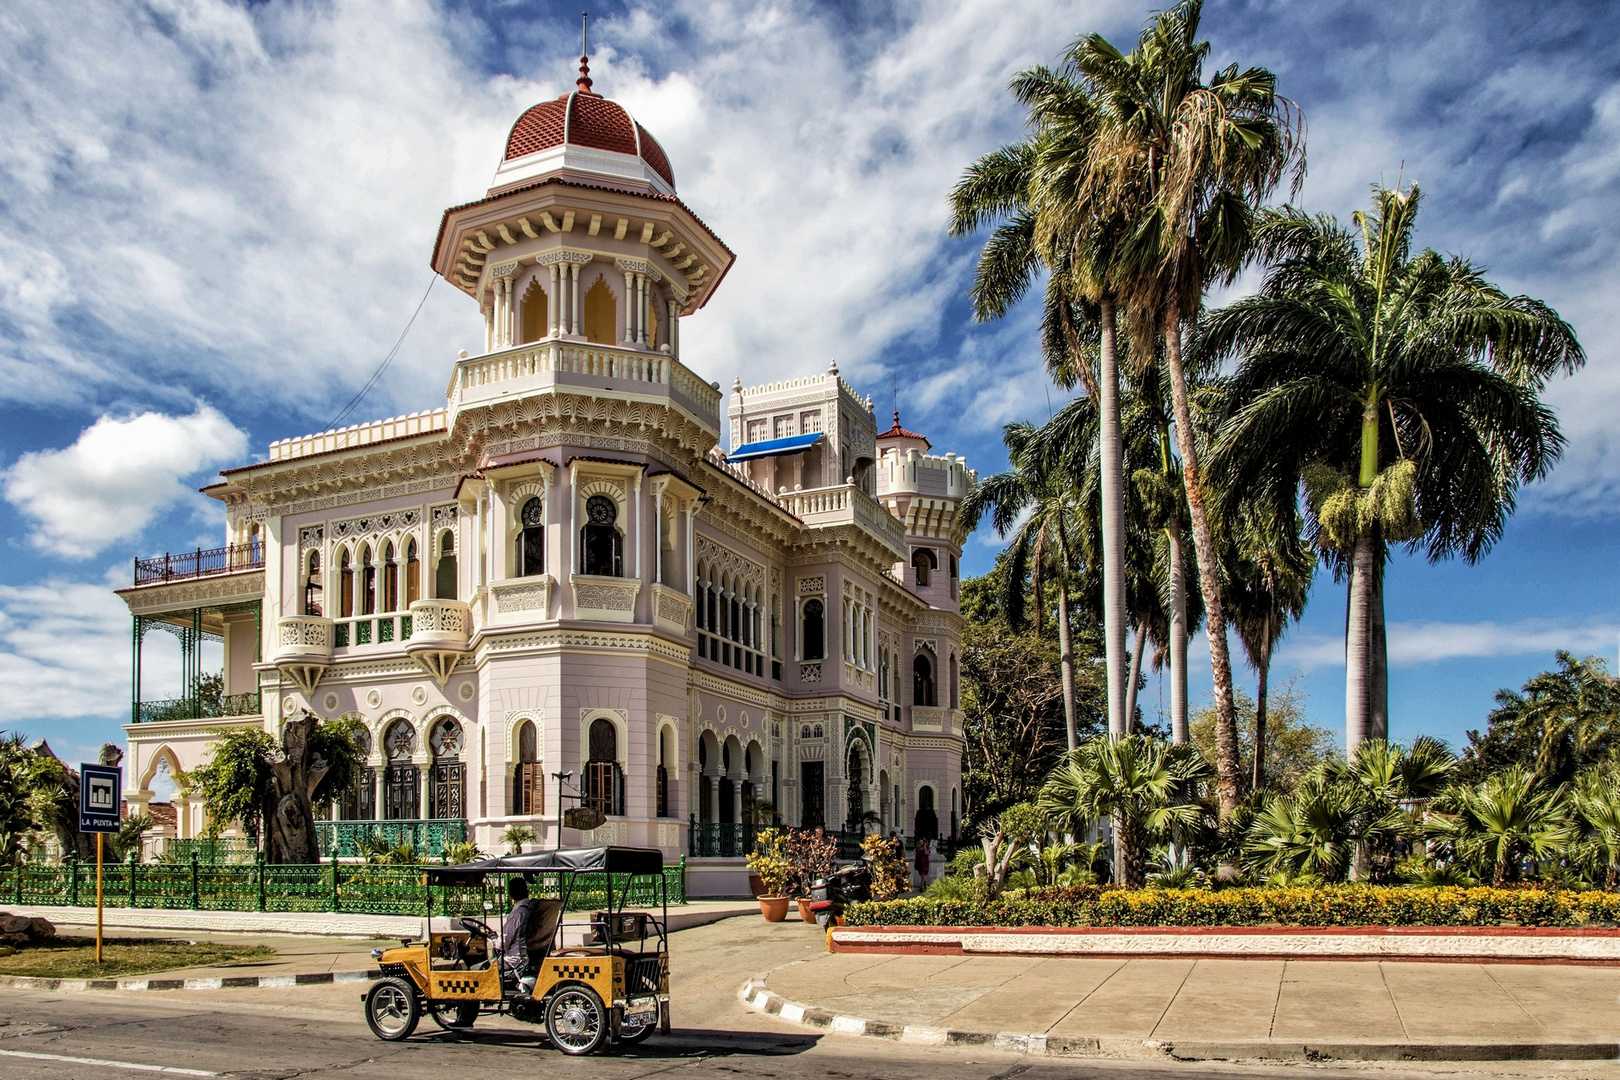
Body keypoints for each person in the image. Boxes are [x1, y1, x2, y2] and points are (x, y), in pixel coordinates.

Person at [501, 876, 537, 995]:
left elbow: (503, 944)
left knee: (480, 969)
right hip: (532, 955)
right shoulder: (533, 911)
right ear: (528, 893)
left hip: (516, 960)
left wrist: (493, 939)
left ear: (510, 896)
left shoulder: (517, 914)